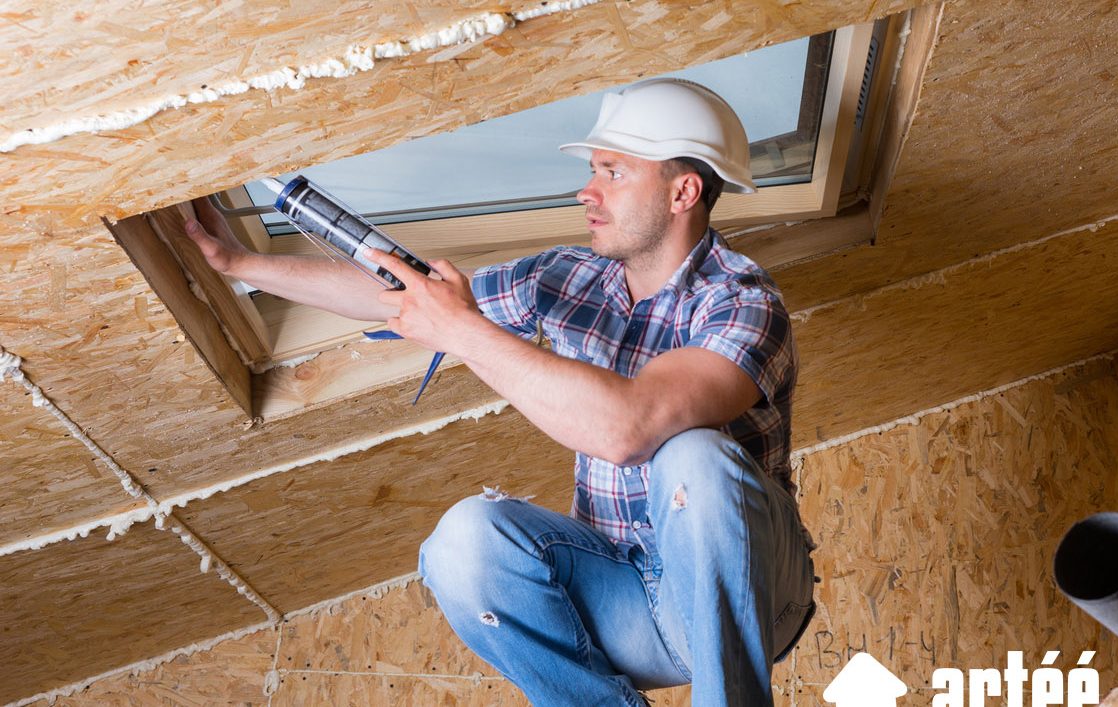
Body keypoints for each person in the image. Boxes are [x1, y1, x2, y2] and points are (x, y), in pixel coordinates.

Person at [184, 78, 816, 706]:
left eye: (613, 172)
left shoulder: (742, 303)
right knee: (464, 542)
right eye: (593, 169)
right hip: (623, 594)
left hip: (752, 599)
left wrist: (460, 329)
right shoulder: (569, 276)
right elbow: (403, 299)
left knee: (693, 457)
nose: (586, 190)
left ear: (683, 191)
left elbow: (629, 429)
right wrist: (240, 265)